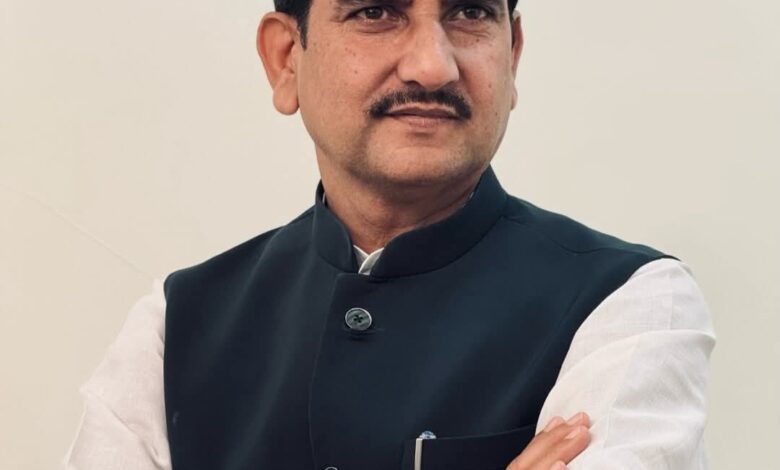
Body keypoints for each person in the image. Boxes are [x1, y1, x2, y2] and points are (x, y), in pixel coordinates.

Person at [62, 0, 716, 467]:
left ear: (513, 55)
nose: (433, 67)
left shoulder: (630, 307)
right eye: (376, 12)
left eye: (469, 13)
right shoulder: (174, 325)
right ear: (286, 60)